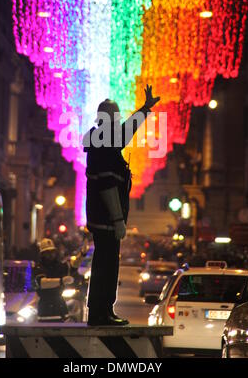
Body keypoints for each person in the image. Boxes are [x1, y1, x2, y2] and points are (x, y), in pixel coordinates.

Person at [83, 85, 160, 326]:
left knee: (106, 264)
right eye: (116, 118)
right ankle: (101, 312)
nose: (119, 123)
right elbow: (107, 185)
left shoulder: (105, 141)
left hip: (103, 218)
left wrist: (145, 109)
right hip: (106, 219)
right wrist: (117, 220)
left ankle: (103, 310)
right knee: (106, 266)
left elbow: (128, 131)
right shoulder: (104, 146)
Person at [35, 237, 88, 321]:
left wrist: (81, 255)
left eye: (52, 252)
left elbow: (73, 266)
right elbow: (42, 283)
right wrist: (61, 281)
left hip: (60, 307)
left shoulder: (59, 266)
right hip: (46, 309)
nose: (51, 255)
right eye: (47, 253)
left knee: (62, 331)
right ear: (42, 254)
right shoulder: (38, 268)